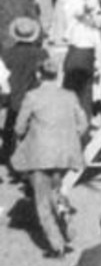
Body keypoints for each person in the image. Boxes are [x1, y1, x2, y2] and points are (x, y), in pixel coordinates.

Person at [11, 56, 86, 258]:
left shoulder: (32, 97)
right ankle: (65, 219)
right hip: (64, 153)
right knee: (56, 188)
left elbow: (19, 127)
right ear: (58, 75)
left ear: (38, 75)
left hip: (40, 153)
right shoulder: (69, 96)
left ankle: (57, 245)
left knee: (42, 200)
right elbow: (83, 124)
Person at [2, 16, 46, 163]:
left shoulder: (7, 54)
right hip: (32, 95)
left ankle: (7, 153)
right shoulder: (41, 53)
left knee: (10, 123)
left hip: (12, 96)